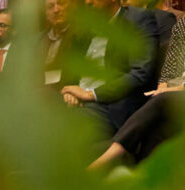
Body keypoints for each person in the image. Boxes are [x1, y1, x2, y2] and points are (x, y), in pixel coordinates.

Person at [90, 14, 185, 166]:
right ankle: (139, 167)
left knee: (163, 100)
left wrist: (174, 89)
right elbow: (167, 75)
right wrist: (163, 87)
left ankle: (112, 154)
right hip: (174, 97)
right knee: (158, 115)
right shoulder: (182, 26)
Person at [60, 0, 160, 136]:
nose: (87, 2)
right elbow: (73, 68)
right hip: (77, 99)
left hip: (109, 104)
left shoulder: (139, 19)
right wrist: (70, 91)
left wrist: (91, 94)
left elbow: (140, 73)